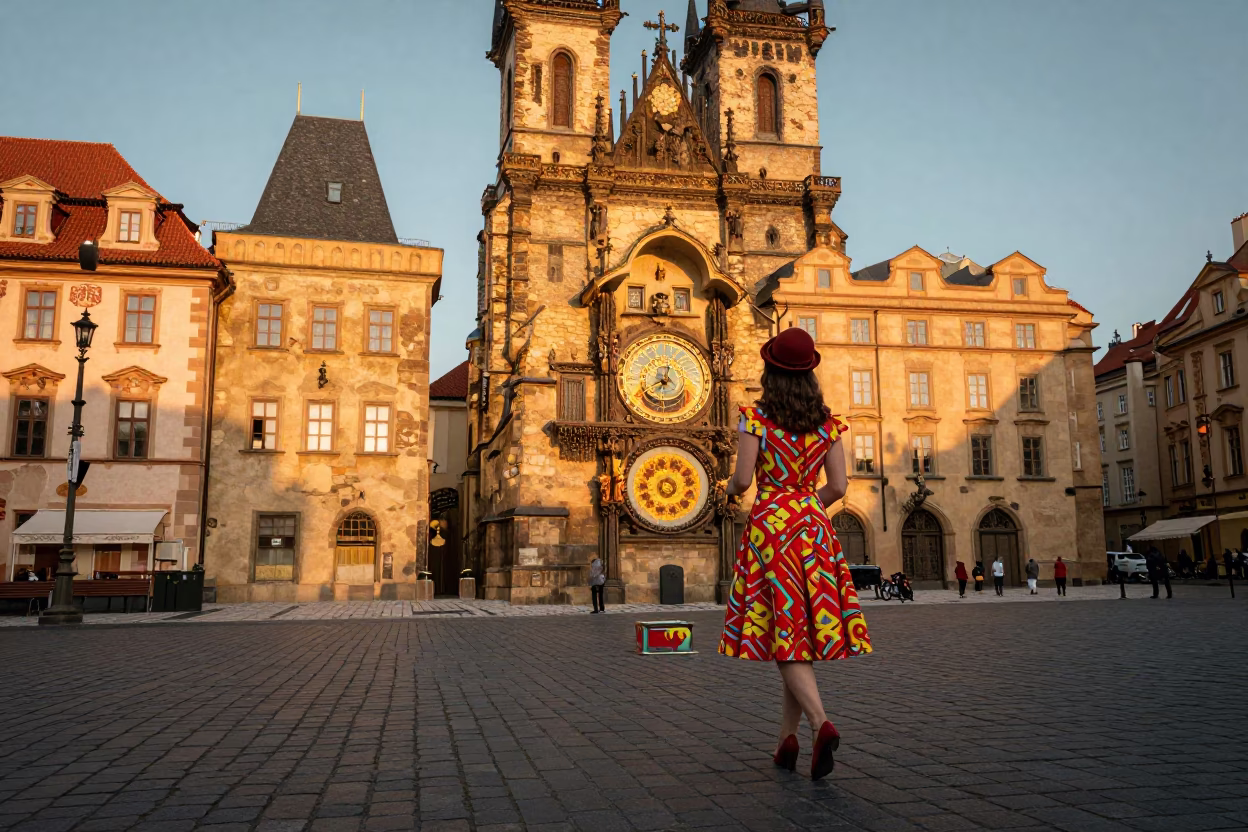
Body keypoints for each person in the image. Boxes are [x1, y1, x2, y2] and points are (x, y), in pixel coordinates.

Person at [719, 327, 871, 782]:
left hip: (770, 528)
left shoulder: (757, 418)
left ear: (771, 371)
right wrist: (806, 505)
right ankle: (787, 740)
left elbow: (744, 480)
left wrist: (728, 490)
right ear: (810, 375)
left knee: (784, 630)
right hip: (813, 525)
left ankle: (821, 723)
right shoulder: (830, 423)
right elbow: (840, 487)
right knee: (798, 629)